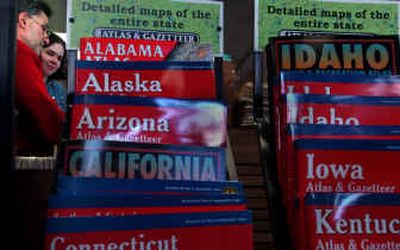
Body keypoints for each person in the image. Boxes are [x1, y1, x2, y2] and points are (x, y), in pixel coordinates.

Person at [15, 1, 65, 155]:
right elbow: (42, 110)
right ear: (23, 21)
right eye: (44, 29)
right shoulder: (20, 52)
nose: (46, 38)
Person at [41, 32, 67, 111]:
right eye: (50, 53)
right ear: (38, 50)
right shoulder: (21, 81)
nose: (55, 61)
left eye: (59, 58)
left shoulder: (57, 89)